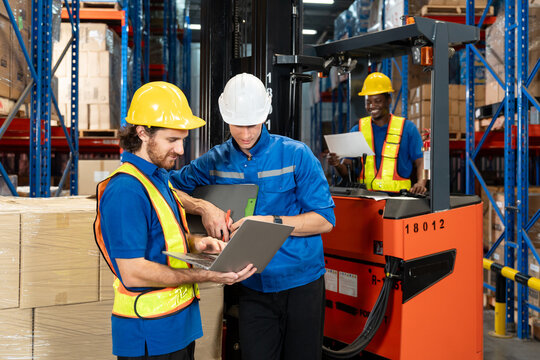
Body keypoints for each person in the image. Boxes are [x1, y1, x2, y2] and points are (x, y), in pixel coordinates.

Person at [170, 73, 336, 360]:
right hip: (251, 286)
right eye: (237, 125)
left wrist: (268, 223)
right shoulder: (214, 161)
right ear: (225, 118)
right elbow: (165, 188)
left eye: (252, 124)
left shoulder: (297, 155)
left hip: (302, 283)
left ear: (265, 116)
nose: (245, 134)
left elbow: (324, 220)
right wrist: (202, 207)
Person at [94, 81, 256, 360]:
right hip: (149, 336)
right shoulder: (126, 191)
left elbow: (162, 240)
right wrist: (210, 275)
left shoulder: (158, 179)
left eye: (183, 139)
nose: (181, 150)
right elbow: (133, 272)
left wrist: (198, 244)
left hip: (176, 329)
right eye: (172, 140)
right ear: (142, 133)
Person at [328, 72, 427, 194]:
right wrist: (337, 164)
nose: (372, 106)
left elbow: (421, 160)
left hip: (399, 201)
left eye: (377, 101)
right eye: (368, 102)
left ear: (388, 100)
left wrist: (420, 184)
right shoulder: (358, 129)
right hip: (365, 200)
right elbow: (347, 170)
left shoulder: (407, 128)